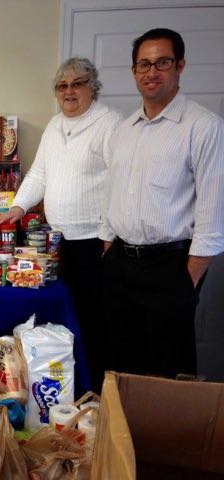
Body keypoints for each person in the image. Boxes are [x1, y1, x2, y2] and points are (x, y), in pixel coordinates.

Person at [99, 28, 224, 378]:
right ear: (134, 71)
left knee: (169, 368)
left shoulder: (203, 127)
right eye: (144, 64)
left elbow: (213, 214)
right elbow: (113, 193)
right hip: (120, 264)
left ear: (180, 66)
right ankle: (123, 432)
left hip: (171, 267)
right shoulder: (124, 130)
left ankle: (166, 433)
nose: (152, 72)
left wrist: (189, 278)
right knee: (121, 361)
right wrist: (109, 250)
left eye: (162, 63)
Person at [0, 57, 123, 391]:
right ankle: (69, 387)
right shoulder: (54, 125)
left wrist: (110, 234)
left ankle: (99, 392)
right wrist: (18, 207)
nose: (69, 91)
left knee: (96, 322)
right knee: (64, 317)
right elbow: (39, 173)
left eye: (77, 83)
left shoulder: (111, 124)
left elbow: (123, 183)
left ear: (93, 87)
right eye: (62, 85)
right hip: (56, 242)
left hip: (95, 242)